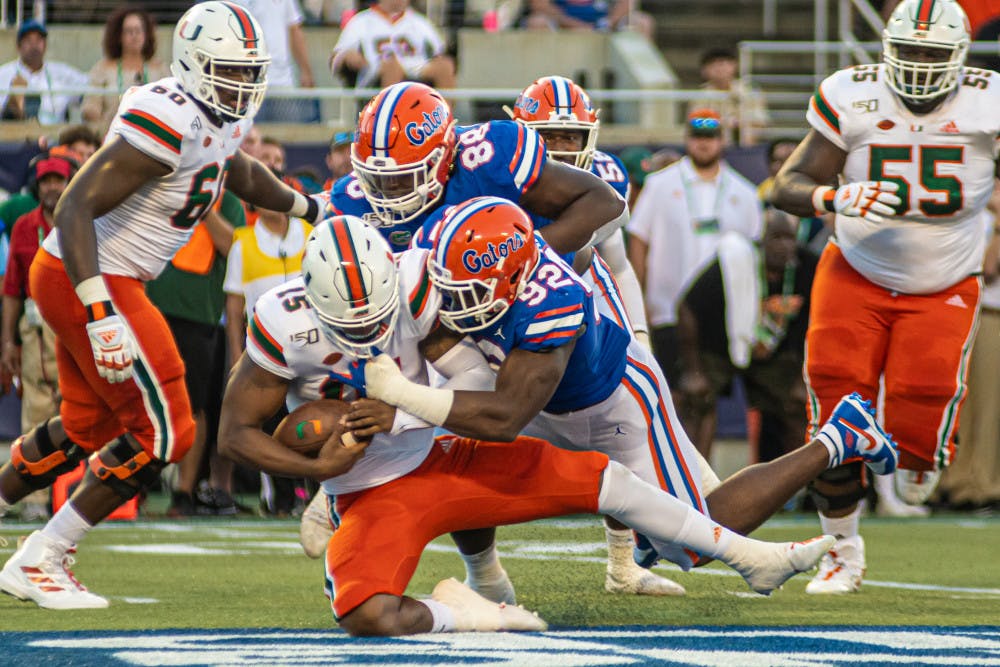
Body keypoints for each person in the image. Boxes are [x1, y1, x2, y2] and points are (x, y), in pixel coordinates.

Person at [219, 214, 838, 637]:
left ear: (395, 276)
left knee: (605, 478)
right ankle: (471, 614)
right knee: (365, 614)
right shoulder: (281, 319)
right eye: (349, 328)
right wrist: (317, 470)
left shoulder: (421, 283)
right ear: (309, 298)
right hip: (369, 488)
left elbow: (480, 393)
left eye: (377, 316)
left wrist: (402, 407)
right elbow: (236, 432)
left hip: (448, 453)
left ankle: (749, 555)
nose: (369, 335)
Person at [350, 196, 898, 591]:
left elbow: (506, 416)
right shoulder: (439, 257)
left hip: (610, 405)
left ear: (515, 280)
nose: (456, 303)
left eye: (470, 293)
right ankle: (488, 580)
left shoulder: (552, 301)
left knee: (690, 545)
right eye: (450, 288)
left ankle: (837, 436)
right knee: (462, 455)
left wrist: (401, 395)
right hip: (531, 396)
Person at [0, 2, 325, 610]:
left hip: (89, 273)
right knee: (167, 431)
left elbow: (238, 170)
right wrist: (100, 314)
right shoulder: (168, 116)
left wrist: (308, 207)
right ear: (194, 64)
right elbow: (73, 208)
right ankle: (43, 557)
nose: (243, 84)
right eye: (230, 70)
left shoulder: (215, 116)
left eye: (249, 71)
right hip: (94, 274)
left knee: (85, 428)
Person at [770, 0, 987, 594]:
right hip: (856, 271)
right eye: (909, 51)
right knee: (835, 411)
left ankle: (920, 453)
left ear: (961, 58)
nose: (918, 65)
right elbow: (784, 185)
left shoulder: (988, 101)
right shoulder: (851, 92)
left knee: (922, 410)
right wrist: (833, 199)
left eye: (931, 53)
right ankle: (842, 551)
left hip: (945, 278)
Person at [506, 75, 679, 596]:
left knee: (619, 432)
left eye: (569, 136)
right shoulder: (496, 177)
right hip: (504, 313)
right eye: (548, 135)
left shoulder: (603, 178)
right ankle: (483, 570)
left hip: (577, 309)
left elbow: (618, 265)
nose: (560, 148)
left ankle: (623, 562)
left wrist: (639, 331)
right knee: (474, 430)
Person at [329, 81, 626, 259]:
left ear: (443, 156)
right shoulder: (350, 197)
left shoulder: (490, 156)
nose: (390, 191)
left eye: (405, 176)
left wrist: (520, 254)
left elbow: (611, 206)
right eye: (377, 178)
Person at [626, 108, 763, 390]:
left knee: (708, 395)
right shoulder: (659, 184)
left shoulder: (745, 193)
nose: (704, 143)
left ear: (722, 140)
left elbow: (754, 258)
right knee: (670, 392)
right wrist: (638, 302)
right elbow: (639, 242)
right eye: (698, 136)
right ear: (687, 139)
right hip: (666, 308)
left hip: (721, 313)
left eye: (711, 136)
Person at [676, 208, 817, 462]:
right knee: (700, 401)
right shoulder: (734, 263)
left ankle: (798, 487)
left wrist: (801, 379)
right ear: (761, 240)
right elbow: (686, 308)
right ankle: (696, 481)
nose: (784, 246)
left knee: (797, 407)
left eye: (789, 238)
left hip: (775, 353)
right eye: (776, 238)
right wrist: (692, 370)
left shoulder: (808, 267)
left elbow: (817, 325)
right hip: (722, 346)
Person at [0, 153, 76, 522]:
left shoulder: (80, 222)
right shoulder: (25, 226)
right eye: (46, 181)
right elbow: (12, 288)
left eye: (58, 180)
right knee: (35, 409)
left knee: (79, 407)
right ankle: (34, 497)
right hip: (35, 327)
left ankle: (80, 494)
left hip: (75, 321)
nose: (51, 187)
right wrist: (7, 342)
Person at [329, 0, 456, 90]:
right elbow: (336, 59)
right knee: (392, 66)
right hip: (376, 73)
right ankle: (389, 120)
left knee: (445, 66)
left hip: (417, 71)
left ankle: (445, 120)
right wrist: (347, 56)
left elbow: (441, 52)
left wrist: (440, 61)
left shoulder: (420, 22)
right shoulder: (361, 21)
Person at [80, 6, 170, 131]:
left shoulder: (160, 68)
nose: (134, 35)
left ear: (146, 34)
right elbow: (90, 107)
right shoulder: (102, 68)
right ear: (118, 36)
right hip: (112, 136)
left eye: (139, 30)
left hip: (152, 136)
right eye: (129, 31)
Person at [226, 0, 317, 123]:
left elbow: (294, 29)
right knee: (250, 137)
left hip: (283, 82)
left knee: (289, 136)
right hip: (248, 84)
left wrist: (306, 71)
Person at [0, 20, 88, 124]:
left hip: (54, 136)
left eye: (38, 40)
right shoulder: (4, 74)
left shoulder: (62, 72)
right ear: (18, 46)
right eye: (28, 41)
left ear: (45, 45)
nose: (34, 46)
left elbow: (90, 87)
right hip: (15, 137)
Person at [690, 48, 769, 146]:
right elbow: (695, 122)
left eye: (723, 63)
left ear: (735, 65)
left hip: (747, 146)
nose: (719, 68)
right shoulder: (700, 96)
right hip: (713, 145)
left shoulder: (749, 91)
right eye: (713, 64)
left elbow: (760, 120)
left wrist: (741, 124)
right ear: (704, 71)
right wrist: (722, 123)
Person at [523, 0, 654, 40]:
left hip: (605, 24)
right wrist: (573, 25)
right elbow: (539, 5)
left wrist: (607, 23)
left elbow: (628, 3)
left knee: (642, 22)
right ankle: (542, 92)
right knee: (537, 23)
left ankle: (644, 92)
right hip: (561, 24)